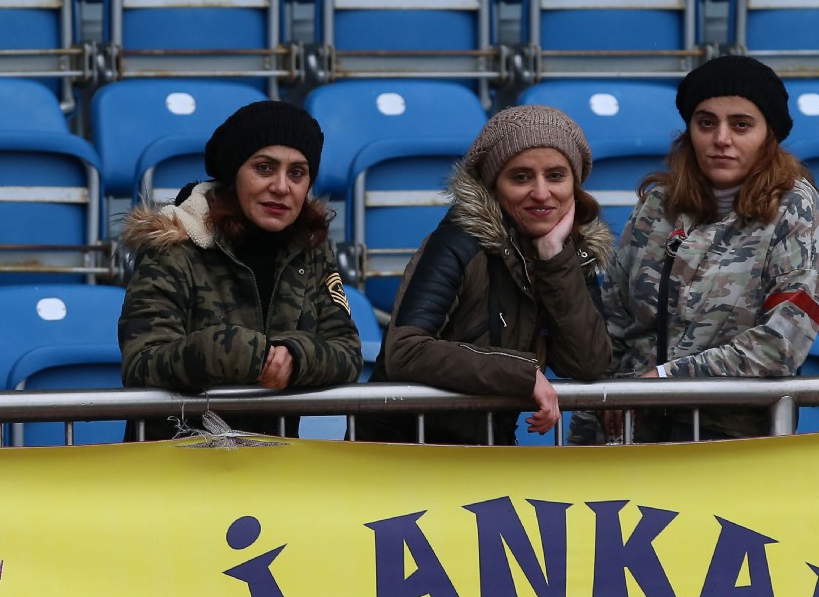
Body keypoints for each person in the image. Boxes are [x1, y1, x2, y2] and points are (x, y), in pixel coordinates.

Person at [601, 54, 819, 440]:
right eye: (706, 122)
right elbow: (612, 325)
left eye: (741, 124)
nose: (721, 139)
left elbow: (778, 345)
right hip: (634, 442)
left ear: (769, 136)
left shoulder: (796, 211)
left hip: (734, 449)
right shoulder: (657, 206)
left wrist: (665, 380)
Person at [360, 104, 612, 445]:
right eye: (521, 177)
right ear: (494, 186)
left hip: (487, 452)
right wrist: (521, 374)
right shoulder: (459, 242)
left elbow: (588, 363)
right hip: (400, 451)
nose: (541, 193)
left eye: (556, 176)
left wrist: (555, 258)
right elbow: (406, 350)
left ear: (575, 184)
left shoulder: (568, 255)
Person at [117, 100, 361, 438]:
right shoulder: (174, 244)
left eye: (297, 173)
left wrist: (294, 355)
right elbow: (142, 363)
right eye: (264, 168)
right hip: (175, 460)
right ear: (234, 175)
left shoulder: (311, 247)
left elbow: (347, 352)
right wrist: (238, 353)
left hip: (273, 462)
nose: (281, 186)